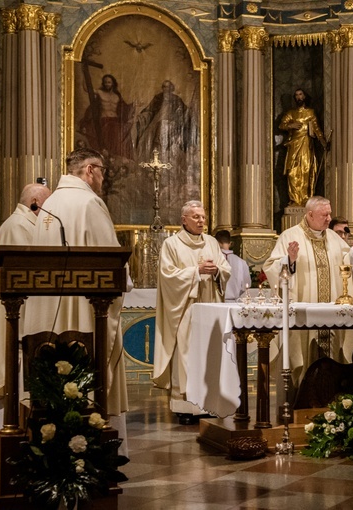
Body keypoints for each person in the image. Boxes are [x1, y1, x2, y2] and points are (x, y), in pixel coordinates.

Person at [21, 148, 131, 450]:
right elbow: (110, 258)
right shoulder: (89, 202)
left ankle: (51, 440)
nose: (104, 178)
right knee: (87, 370)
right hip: (84, 308)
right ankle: (92, 439)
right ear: (91, 170)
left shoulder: (50, 202)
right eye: (104, 171)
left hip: (47, 307)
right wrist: (126, 282)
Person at [0, 184, 51, 443]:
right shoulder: (19, 226)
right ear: (34, 201)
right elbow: (25, 273)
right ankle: (8, 430)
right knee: (9, 364)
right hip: (13, 308)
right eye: (46, 204)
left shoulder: (24, 223)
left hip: (15, 306)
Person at [263, 196, 353, 385]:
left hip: (332, 316)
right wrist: (289, 260)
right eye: (324, 215)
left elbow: (348, 270)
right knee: (303, 360)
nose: (329, 219)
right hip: (304, 316)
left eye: (329, 214)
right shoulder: (290, 236)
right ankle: (301, 403)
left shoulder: (335, 238)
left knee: (334, 361)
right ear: (310, 214)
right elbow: (271, 267)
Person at [153, 201, 231, 425]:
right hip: (186, 308)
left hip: (210, 305)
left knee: (210, 353)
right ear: (183, 220)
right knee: (187, 355)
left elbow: (225, 268)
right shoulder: (172, 244)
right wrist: (196, 271)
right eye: (196, 217)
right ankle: (186, 407)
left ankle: (209, 403)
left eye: (203, 217)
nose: (201, 221)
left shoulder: (212, 242)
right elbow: (167, 276)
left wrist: (217, 271)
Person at [279, 89, 327, 206]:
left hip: (306, 145)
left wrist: (323, 142)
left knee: (306, 171)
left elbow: (317, 129)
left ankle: (306, 199)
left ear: (305, 96)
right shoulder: (291, 113)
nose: (298, 97)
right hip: (294, 145)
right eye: (296, 95)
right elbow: (282, 125)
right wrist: (291, 125)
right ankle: (294, 200)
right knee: (292, 172)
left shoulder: (310, 112)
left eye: (300, 95)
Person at [135, 79, 190, 163]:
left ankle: (165, 154)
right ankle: (154, 155)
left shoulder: (177, 99)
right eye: (164, 87)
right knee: (149, 136)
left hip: (172, 123)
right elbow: (149, 110)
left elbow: (184, 112)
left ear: (172, 88)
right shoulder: (158, 98)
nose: (166, 89)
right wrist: (143, 116)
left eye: (168, 87)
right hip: (156, 122)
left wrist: (179, 117)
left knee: (163, 126)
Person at [80, 74, 133, 159]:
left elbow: (124, 107)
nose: (107, 84)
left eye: (109, 82)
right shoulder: (100, 92)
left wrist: (134, 105)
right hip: (105, 120)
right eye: (105, 82)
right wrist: (84, 76)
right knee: (106, 139)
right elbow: (87, 89)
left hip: (115, 120)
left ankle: (115, 158)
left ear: (113, 83)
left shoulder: (117, 96)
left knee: (117, 140)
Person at [214, 229, 251, 303]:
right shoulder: (242, 262)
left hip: (216, 301)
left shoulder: (214, 260)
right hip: (235, 302)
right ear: (230, 243)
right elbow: (246, 285)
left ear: (217, 243)